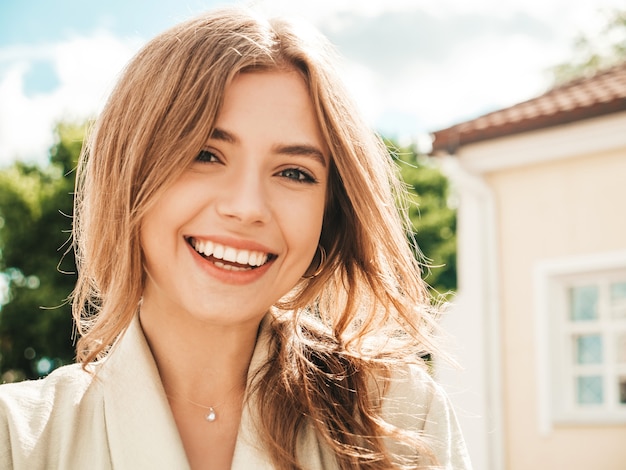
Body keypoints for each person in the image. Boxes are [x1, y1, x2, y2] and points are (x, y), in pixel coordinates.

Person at [0, 7, 471, 470]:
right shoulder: (16, 439)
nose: (247, 207)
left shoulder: (398, 417)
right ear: (129, 171)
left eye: (294, 172)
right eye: (205, 154)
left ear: (331, 212)